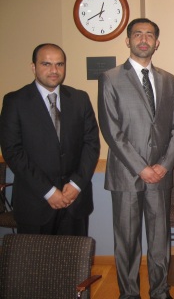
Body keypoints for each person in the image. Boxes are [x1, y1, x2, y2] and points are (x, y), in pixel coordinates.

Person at [98, 18, 174, 299]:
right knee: (127, 243)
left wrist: (163, 165)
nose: (144, 39)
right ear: (128, 41)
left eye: (149, 35)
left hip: (160, 175)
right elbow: (111, 129)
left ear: (157, 43)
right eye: (138, 34)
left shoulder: (169, 80)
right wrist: (141, 167)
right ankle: (129, 294)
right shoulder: (110, 78)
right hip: (126, 175)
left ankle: (160, 291)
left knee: (160, 240)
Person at [0, 43, 100, 236]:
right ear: (33, 67)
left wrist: (76, 184)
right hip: (35, 202)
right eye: (46, 64)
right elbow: (13, 151)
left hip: (75, 202)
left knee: (73, 263)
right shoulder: (15, 101)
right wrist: (48, 191)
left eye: (60, 64)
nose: (54, 70)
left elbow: (91, 144)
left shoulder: (79, 99)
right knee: (35, 265)